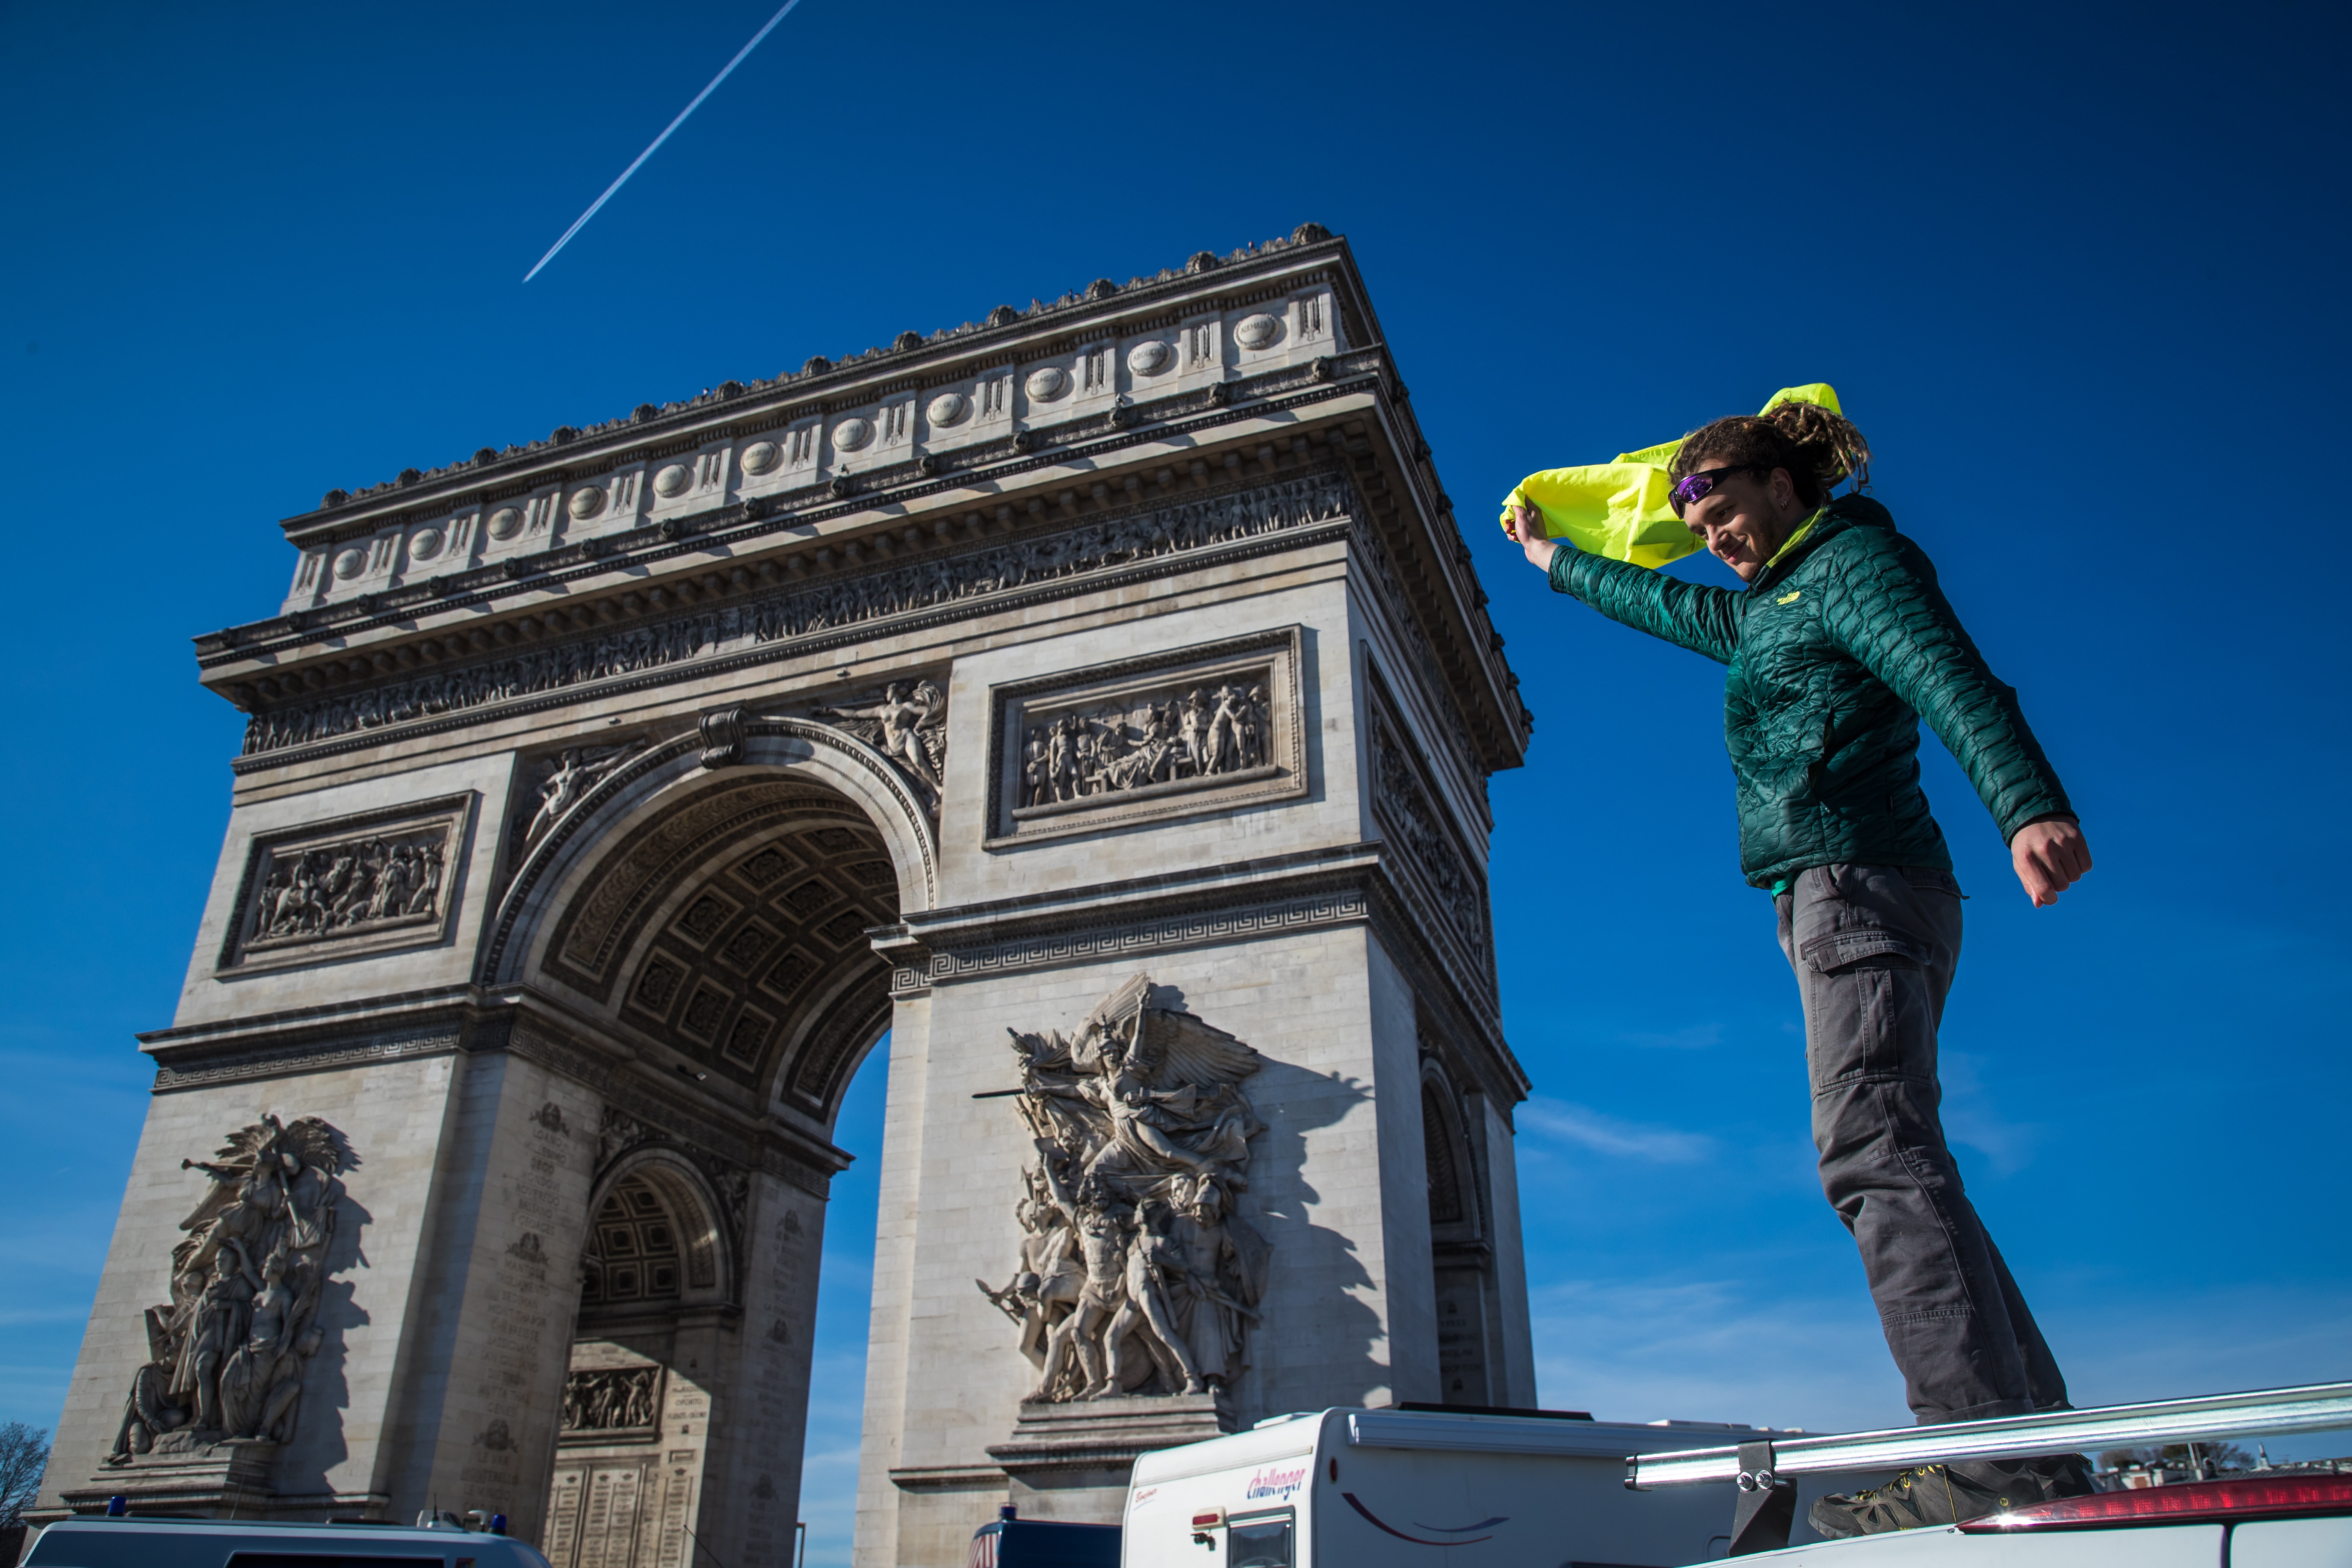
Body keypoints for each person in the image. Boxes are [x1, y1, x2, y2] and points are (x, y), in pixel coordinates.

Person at [1504, 398, 2095, 1537]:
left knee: (1869, 1152)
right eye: (1690, 514)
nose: (1707, 529)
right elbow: (1667, 603)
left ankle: (1976, 1450)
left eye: (1719, 502)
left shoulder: (1848, 565)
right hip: (1843, 892)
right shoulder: (1776, 601)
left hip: (1859, 882)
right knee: (1902, 1151)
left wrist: (2026, 806)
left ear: (1782, 480)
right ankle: (2027, 1447)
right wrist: (1549, 560)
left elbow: (1948, 671)